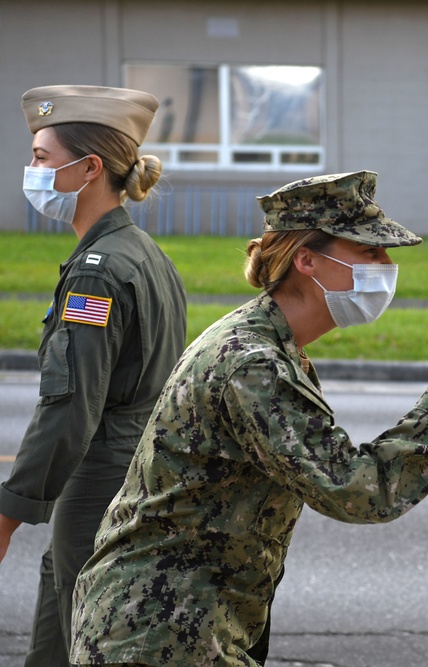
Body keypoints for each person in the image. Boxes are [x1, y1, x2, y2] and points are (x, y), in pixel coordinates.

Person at [70, 171, 428, 666]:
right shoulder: (254, 364)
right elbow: (358, 489)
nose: (387, 265)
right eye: (369, 252)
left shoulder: (265, 342)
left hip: (177, 621)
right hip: (160, 633)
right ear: (307, 260)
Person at [0, 85, 187, 667]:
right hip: (133, 468)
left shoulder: (98, 273)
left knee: (85, 637)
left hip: (100, 475)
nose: (30, 170)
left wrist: (8, 515)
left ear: (89, 168)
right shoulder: (143, 252)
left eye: (40, 157)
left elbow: (69, 405)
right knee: (62, 632)